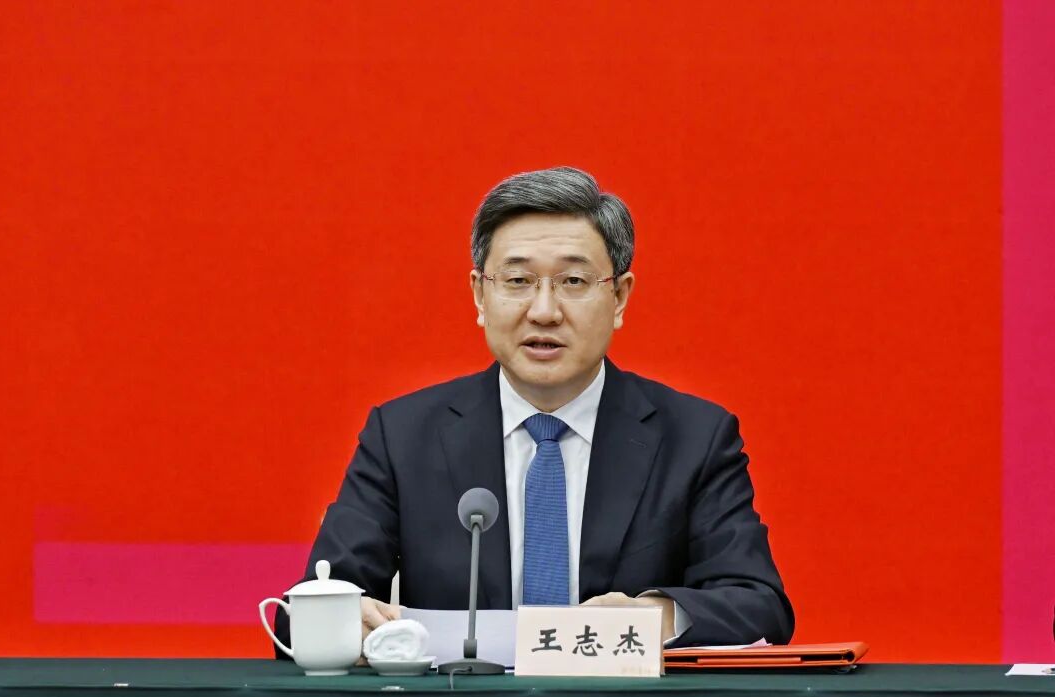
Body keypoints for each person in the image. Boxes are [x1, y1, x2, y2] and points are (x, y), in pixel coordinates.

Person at [275, 167, 793, 654]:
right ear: (480, 295)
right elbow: (299, 613)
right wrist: (342, 618)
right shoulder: (403, 436)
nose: (544, 312)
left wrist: (652, 616)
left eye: (574, 282)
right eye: (518, 281)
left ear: (619, 298)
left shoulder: (694, 438)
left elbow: (759, 606)